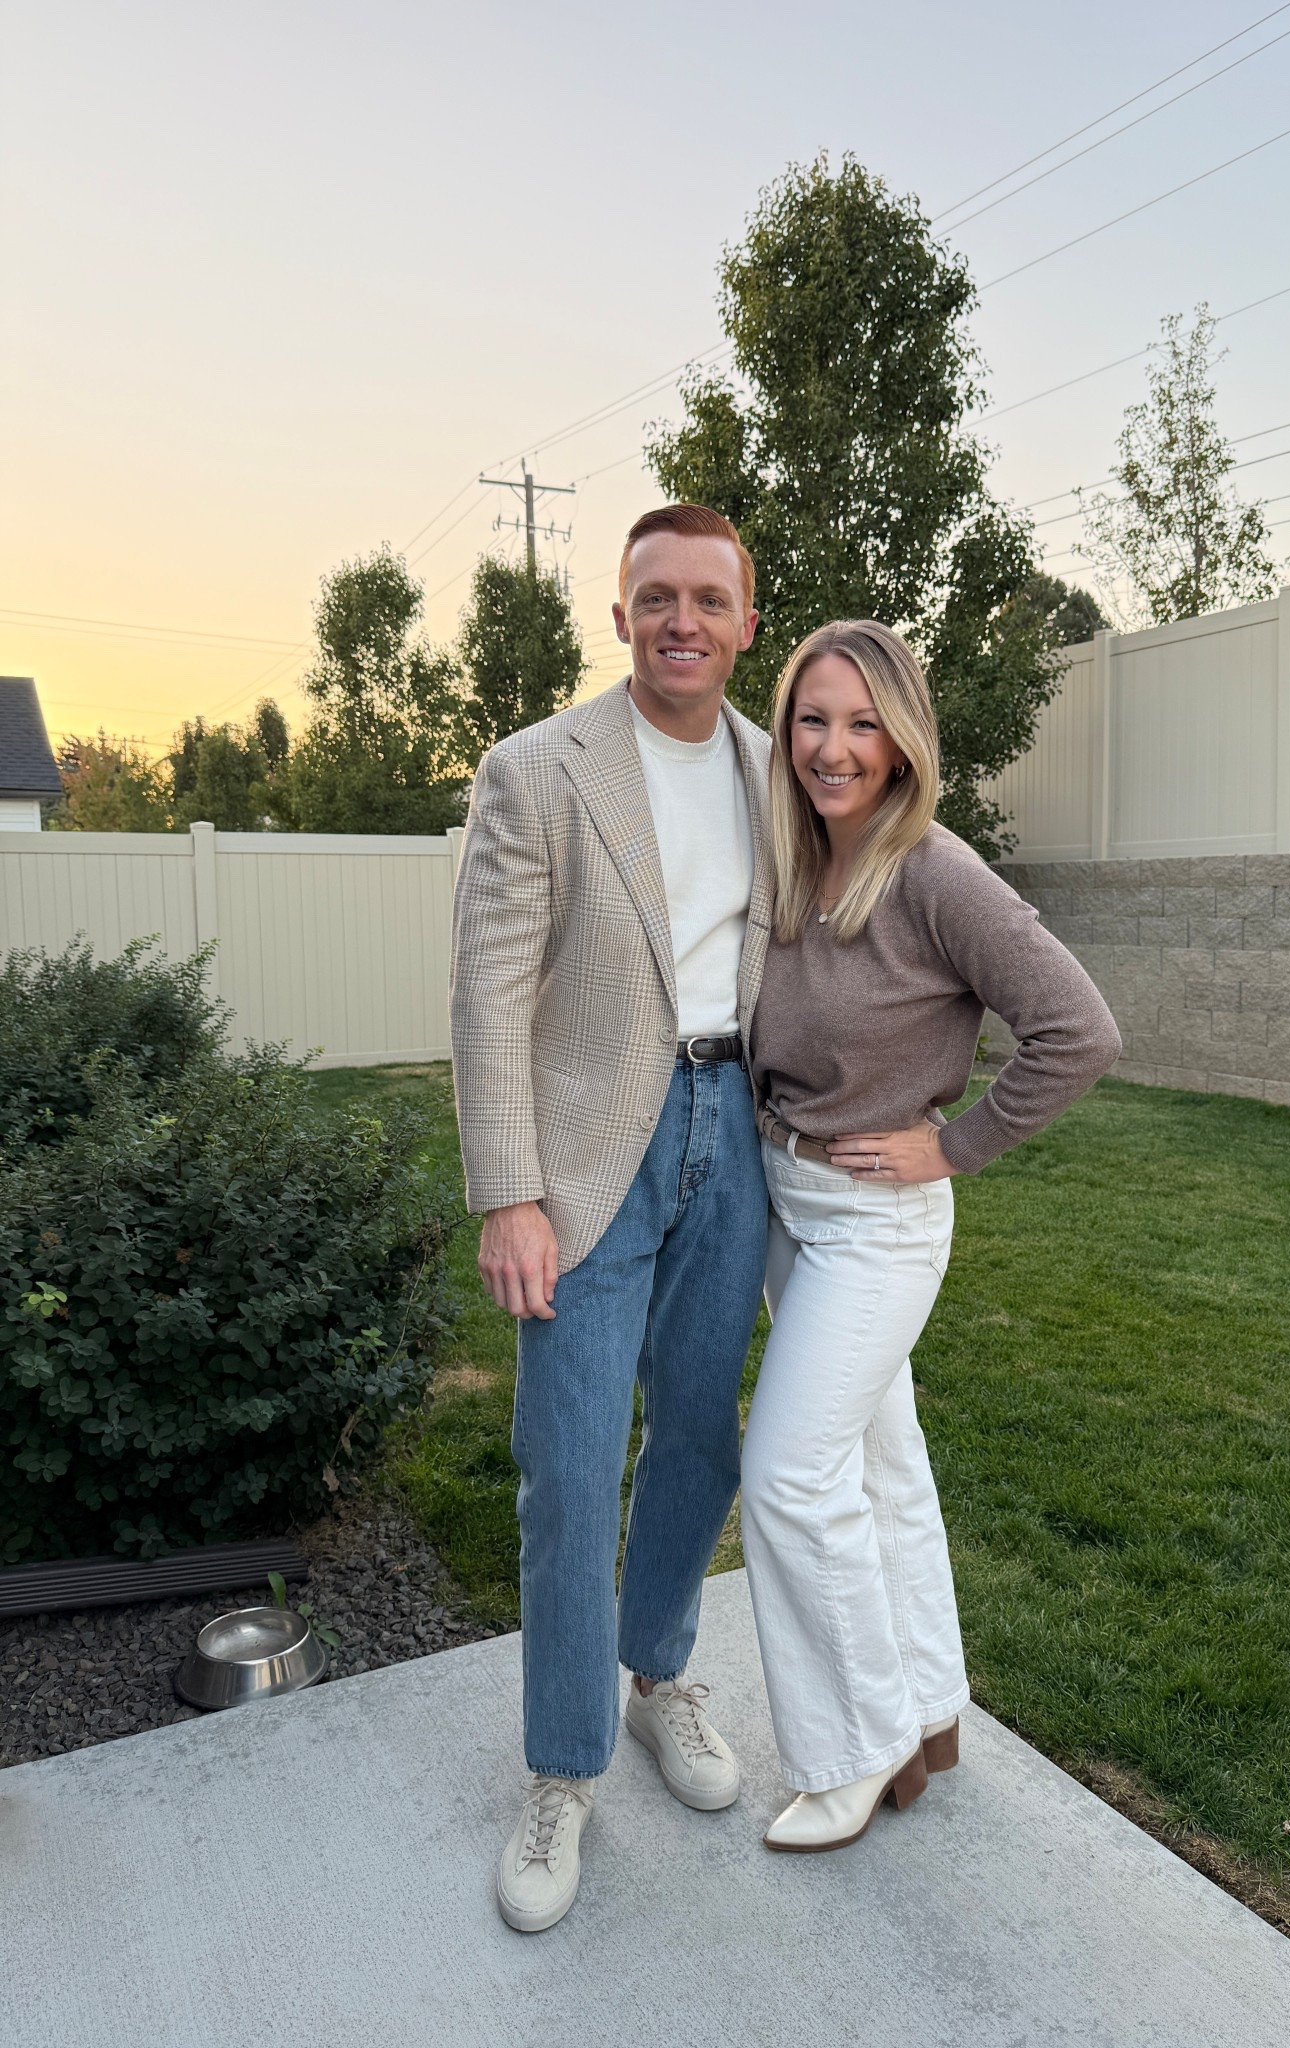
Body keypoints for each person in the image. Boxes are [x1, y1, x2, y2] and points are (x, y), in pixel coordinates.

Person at [741, 619, 1121, 1852]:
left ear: (904, 741)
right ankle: (931, 1707)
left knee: (790, 1475)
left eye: (862, 723)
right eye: (812, 718)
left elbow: (1080, 1029)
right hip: (789, 1203)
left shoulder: (935, 869)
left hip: (878, 1222)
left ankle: (857, 1746)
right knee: (882, 1470)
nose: (833, 747)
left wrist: (951, 1145)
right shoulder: (797, 859)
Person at [449, 504, 772, 1931]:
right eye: (658, 596)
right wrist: (507, 1192)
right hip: (588, 1155)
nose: (682, 619)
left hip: (737, 1138)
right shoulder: (539, 772)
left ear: (748, 621)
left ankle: (659, 1678)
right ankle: (562, 1769)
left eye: (709, 597)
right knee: (571, 1465)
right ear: (623, 612)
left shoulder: (785, 770)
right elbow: (488, 997)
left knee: (700, 1436)